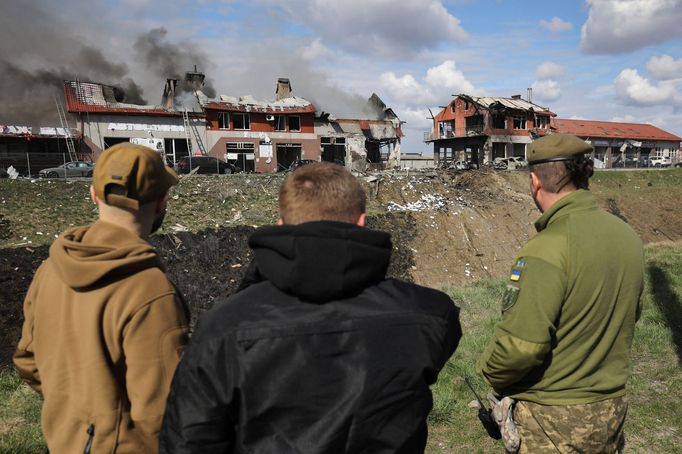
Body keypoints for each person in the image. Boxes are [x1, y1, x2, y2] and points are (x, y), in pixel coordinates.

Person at [160, 162, 462, 454]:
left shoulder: (223, 327)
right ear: (361, 221)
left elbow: (190, 440)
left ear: (281, 225)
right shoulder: (432, 313)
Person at [14, 143, 190, 454]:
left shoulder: (49, 270)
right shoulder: (151, 291)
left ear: (93, 196)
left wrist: (79, 416)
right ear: (162, 203)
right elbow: (162, 415)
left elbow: (28, 361)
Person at [477, 134, 644, 453]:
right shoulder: (627, 237)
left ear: (534, 181)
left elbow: (521, 348)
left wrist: (488, 369)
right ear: (584, 176)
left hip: (553, 418)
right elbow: (631, 314)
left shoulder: (545, 250)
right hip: (611, 409)